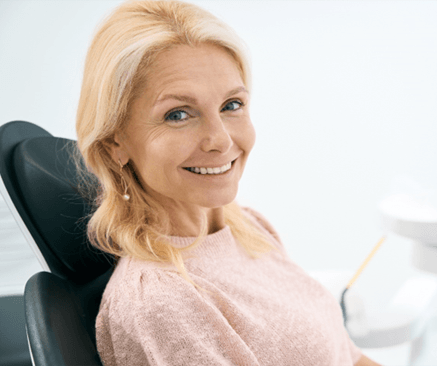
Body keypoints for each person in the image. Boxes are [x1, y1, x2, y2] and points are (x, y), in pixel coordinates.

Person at [75, 1, 381, 365]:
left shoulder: (248, 228)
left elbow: (348, 356)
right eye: (178, 114)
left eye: (231, 105)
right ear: (115, 143)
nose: (219, 140)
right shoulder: (162, 300)